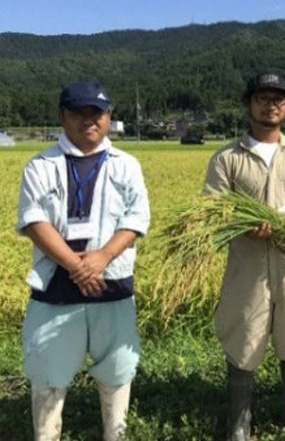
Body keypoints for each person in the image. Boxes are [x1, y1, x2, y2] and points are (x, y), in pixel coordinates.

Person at [203, 72, 285, 441]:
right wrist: (241, 225)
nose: (271, 104)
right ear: (249, 105)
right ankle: (240, 423)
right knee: (244, 341)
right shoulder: (228, 157)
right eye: (262, 97)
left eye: (278, 98)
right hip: (247, 270)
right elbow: (212, 212)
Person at [17, 80, 151, 441]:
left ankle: (116, 433)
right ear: (63, 115)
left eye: (98, 113)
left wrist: (103, 256)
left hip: (113, 283)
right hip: (55, 288)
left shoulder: (127, 165)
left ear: (109, 117)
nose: (89, 120)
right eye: (79, 112)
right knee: (47, 368)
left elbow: (137, 219)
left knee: (118, 367)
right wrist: (77, 266)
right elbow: (33, 221)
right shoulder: (40, 165)